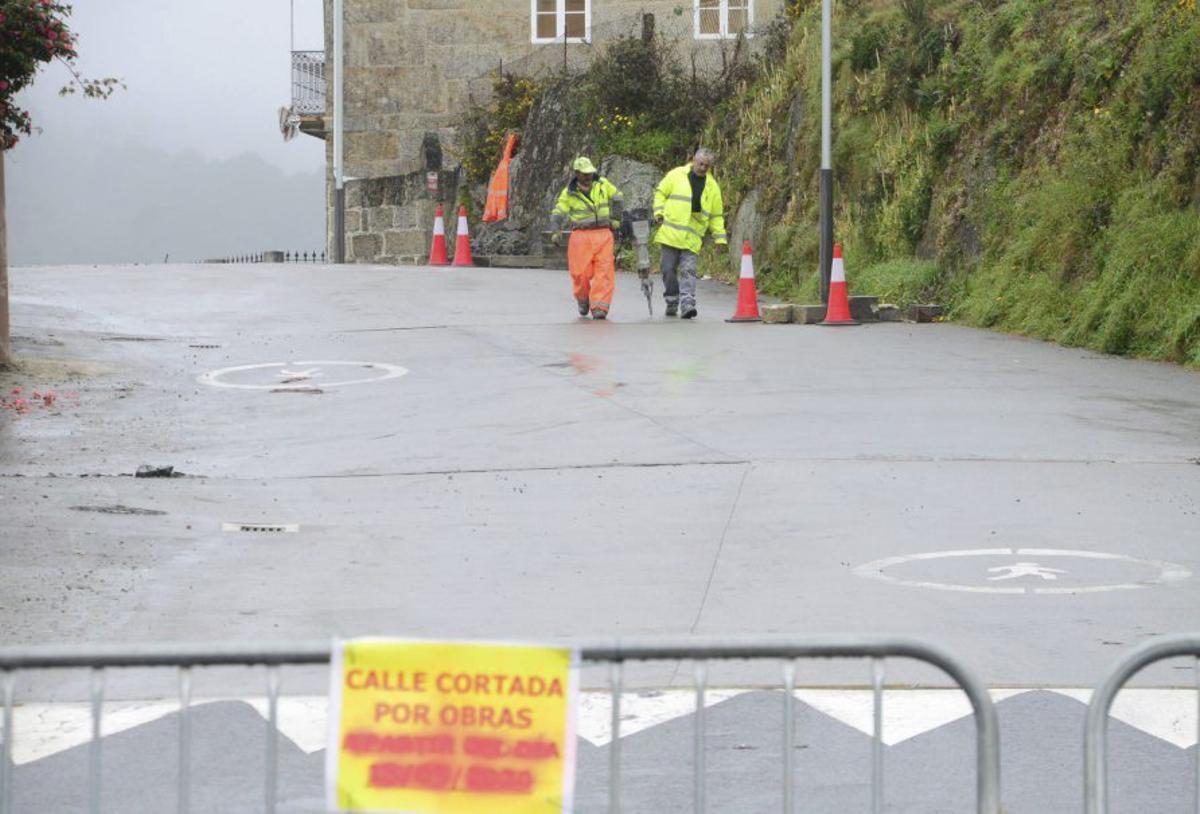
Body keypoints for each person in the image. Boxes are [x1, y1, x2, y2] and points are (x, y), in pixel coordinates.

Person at [652, 148, 728, 318]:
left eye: (706, 166)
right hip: (670, 234)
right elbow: (660, 192)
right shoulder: (677, 175)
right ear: (694, 160)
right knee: (668, 269)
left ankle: (687, 303)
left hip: (692, 237)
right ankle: (672, 300)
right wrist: (658, 213)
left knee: (688, 270)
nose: (702, 168)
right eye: (700, 164)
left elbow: (716, 215)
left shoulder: (712, 187)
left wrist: (720, 238)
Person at [549, 157, 625, 320]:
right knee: (580, 273)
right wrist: (555, 230)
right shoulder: (569, 193)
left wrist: (616, 219)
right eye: (584, 174)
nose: (589, 176)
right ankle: (583, 299)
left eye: (590, 173)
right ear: (576, 173)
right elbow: (559, 211)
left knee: (604, 271)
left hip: (603, 234)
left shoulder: (603, 184)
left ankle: (599, 307)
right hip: (581, 236)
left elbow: (618, 196)